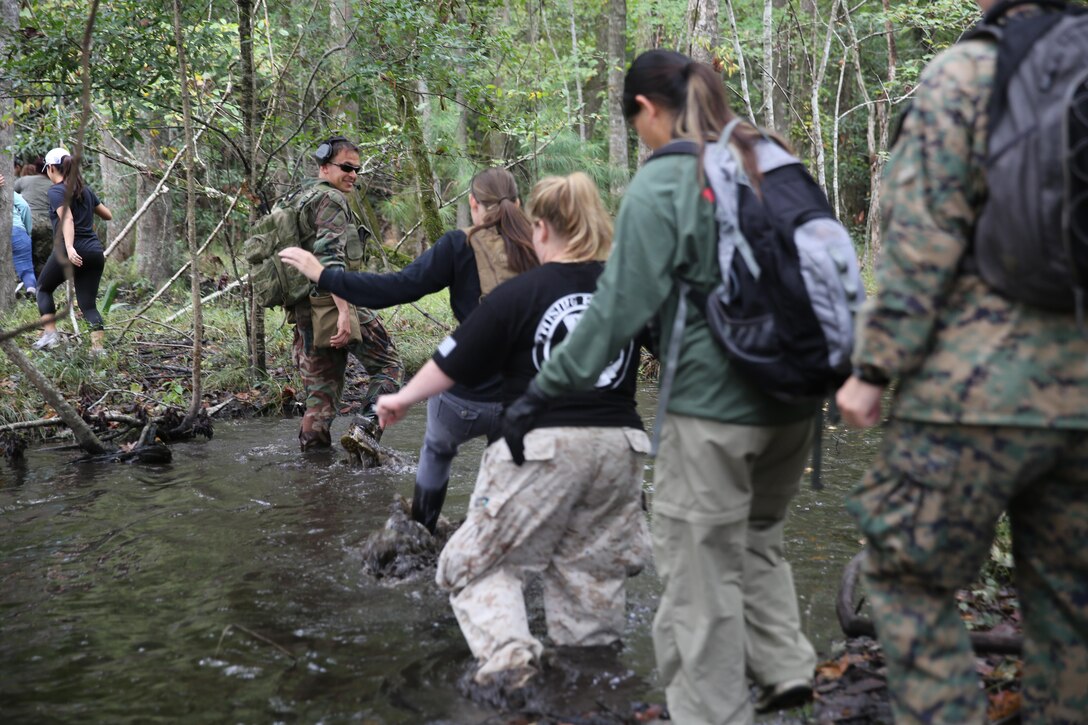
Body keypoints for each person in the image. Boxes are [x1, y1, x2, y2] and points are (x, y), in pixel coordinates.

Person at [502, 51, 820, 723]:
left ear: (647, 109)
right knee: (757, 537)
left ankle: (713, 713)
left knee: (695, 584)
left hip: (715, 410)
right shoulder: (769, 158)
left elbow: (616, 310)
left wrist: (540, 393)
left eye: (634, 123)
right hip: (798, 403)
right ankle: (785, 667)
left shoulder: (667, 178)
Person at [836, 1, 1088, 722]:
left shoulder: (969, 73)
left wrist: (873, 368)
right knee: (1071, 608)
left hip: (973, 389)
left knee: (905, 578)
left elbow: (923, 240)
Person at [373, 172, 652, 694]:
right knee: (588, 576)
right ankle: (589, 686)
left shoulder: (521, 292)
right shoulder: (629, 290)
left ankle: (511, 669)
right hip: (623, 447)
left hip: (546, 445)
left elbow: (452, 360)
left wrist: (401, 398)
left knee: (470, 564)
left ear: (540, 228)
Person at [278, 167, 537, 531]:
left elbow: (395, 288)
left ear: (473, 204)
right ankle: (501, 530)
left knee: (437, 450)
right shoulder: (540, 245)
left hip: (466, 395)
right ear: (519, 204)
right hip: (525, 397)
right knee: (508, 469)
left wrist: (323, 275)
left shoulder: (458, 245)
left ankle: (422, 531)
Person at [284, 135, 403, 454]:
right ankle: (365, 429)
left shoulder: (301, 197)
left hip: (306, 309)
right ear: (325, 166)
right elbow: (330, 259)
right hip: (335, 304)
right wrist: (344, 313)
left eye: (357, 169)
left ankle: (314, 468)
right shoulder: (332, 199)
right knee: (390, 367)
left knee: (321, 399)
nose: (353, 175)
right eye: (346, 168)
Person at [30, 148, 112, 352]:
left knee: (43, 288)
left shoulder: (56, 191)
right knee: (88, 305)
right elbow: (107, 215)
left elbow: (67, 218)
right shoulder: (84, 190)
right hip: (94, 252)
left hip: (70, 250)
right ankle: (98, 350)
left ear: (51, 168)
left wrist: (69, 247)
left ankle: (51, 336)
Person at [14, 156, 57, 273]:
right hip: (46, 225)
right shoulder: (54, 185)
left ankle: (21, 282)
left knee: (21, 259)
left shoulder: (24, 180)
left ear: (36, 168)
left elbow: (9, 192)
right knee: (42, 262)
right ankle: (41, 283)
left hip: (25, 222)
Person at [0, 172, 37, 296]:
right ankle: (30, 287)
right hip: (17, 230)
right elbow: (24, 206)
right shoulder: (9, 192)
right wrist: (26, 231)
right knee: (26, 268)